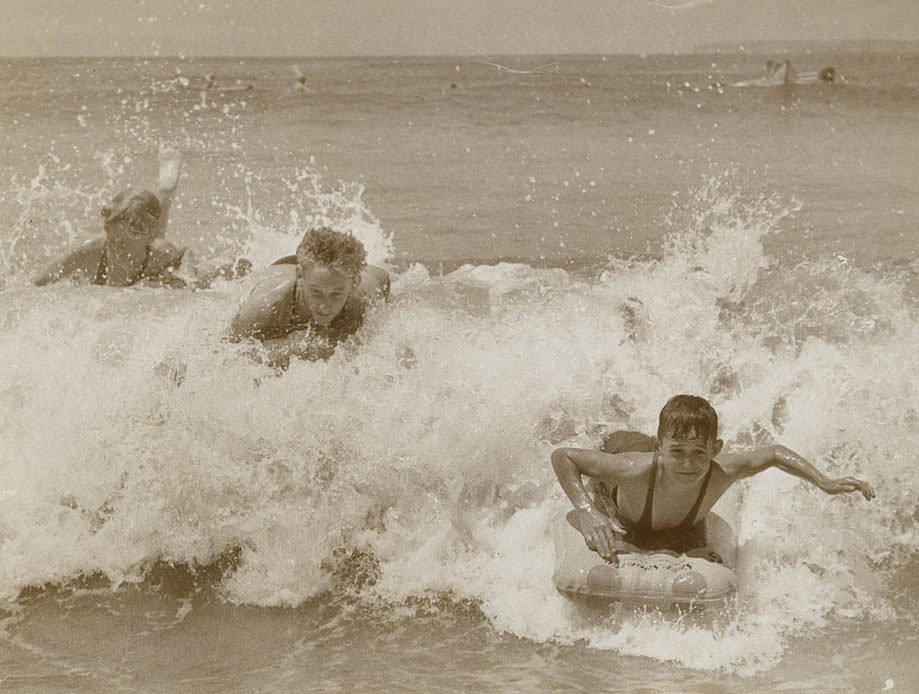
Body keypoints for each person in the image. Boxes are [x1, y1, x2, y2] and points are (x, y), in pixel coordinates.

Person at [551, 394, 875, 562]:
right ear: (659, 448)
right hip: (619, 448)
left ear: (715, 449)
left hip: (652, 450)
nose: (688, 463)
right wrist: (586, 510)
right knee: (605, 445)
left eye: (699, 453)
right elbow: (564, 456)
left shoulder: (723, 471)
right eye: (677, 452)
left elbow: (775, 453)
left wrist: (824, 481)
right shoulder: (636, 468)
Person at [32, 145, 249, 289]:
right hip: (144, 246)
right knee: (144, 226)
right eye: (115, 239)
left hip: (155, 262)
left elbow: (184, 252)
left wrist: (187, 276)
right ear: (107, 228)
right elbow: (39, 282)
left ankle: (230, 262)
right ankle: (166, 190)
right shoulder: (90, 252)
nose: (119, 247)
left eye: (127, 243)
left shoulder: (157, 250)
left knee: (197, 281)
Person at [228, 226, 390, 365]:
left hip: (315, 271)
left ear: (354, 283)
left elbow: (383, 277)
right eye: (316, 292)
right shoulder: (265, 306)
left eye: (336, 295)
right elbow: (228, 355)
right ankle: (231, 264)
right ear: (299, 275)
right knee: (233, 273)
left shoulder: (362, 298)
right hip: (274, 274)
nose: (324, 306)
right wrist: (295, 348)